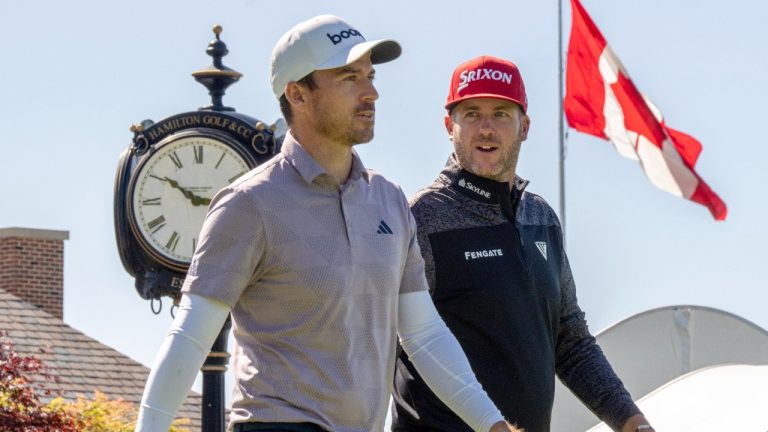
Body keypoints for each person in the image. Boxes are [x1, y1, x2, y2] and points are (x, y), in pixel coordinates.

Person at [135, 17, 520, 432]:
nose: (370, 92)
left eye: (370, 76)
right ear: (298, 93)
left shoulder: (388, 201)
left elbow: (423, 334)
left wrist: (492, 425)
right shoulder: (249, 204)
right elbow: (190, 340)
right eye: (349, 78)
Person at [391, 55, 655, 432]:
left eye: (500, 113)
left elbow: (571, 342)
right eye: (471, 114)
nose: (486, 129)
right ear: (449, 125)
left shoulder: (541, 219)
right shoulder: (421, 217)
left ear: (525, 126)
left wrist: (632, 422)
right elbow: (391, 339)